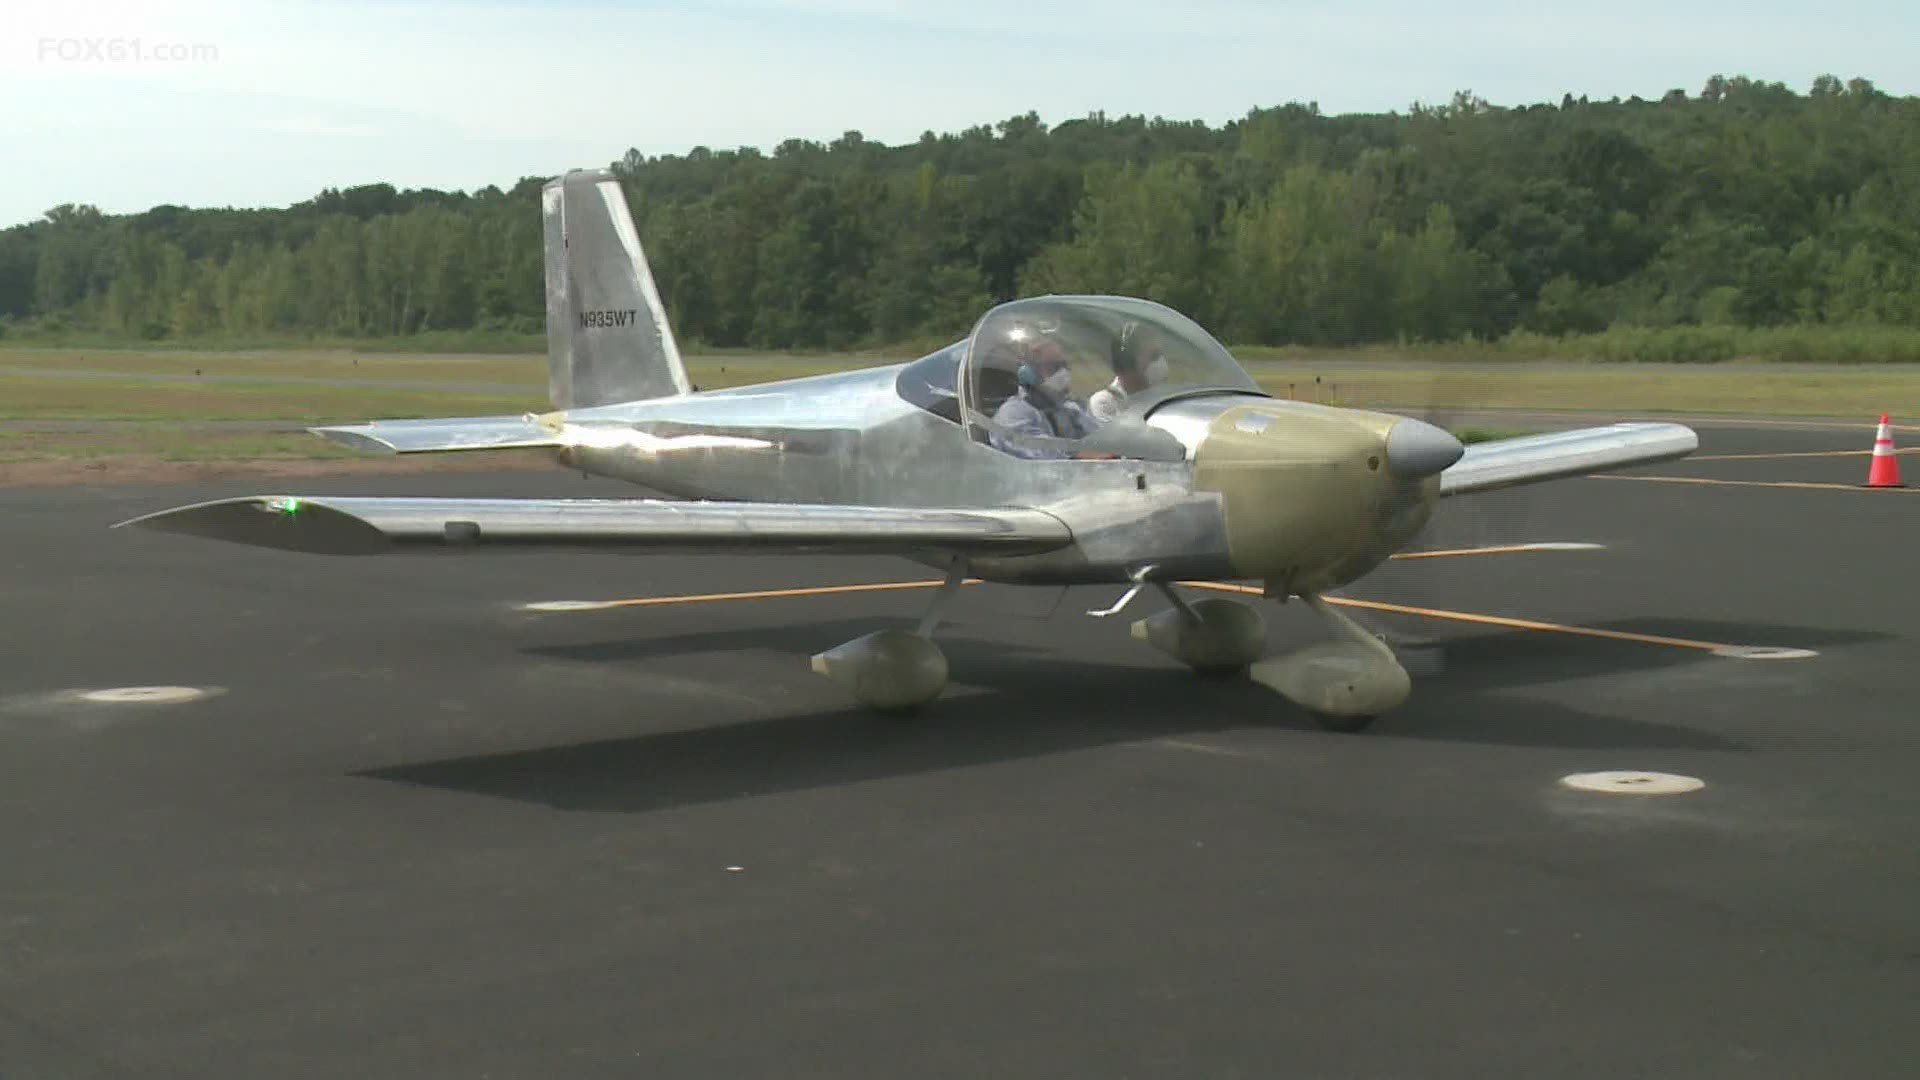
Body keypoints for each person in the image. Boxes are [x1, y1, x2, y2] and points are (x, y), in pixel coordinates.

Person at [988, 342, 1112, 460]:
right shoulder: (1013, 414)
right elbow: (1044, 456)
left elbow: (1101, 437)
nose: (1064, 372)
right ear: (1029, 374)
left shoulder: (1068, 409)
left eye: (1065, 366)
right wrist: (1085, 454)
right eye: (1055, 367)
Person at [1088, 322, 1172, 423]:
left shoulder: (1162, 400)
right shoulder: (1104, 403)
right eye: (1154, 356)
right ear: (1128, 361)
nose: (1161, 361)